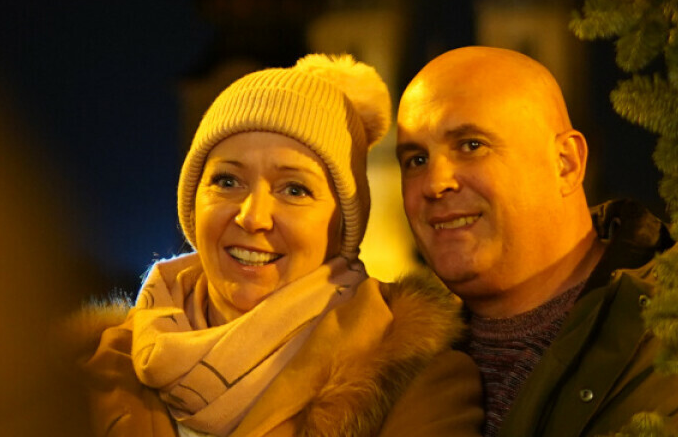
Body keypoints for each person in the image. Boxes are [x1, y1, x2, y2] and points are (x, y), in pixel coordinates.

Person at [78, 54, 484, 437]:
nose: (253, 216)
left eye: (294, 189)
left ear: (343, 223)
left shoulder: (412, 377)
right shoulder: (90, 370)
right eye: (227, 181)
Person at [394, 47, 678, 437]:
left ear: (566, 162)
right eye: (415, 160)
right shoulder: (392, 365)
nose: (436, 184)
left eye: (472, 145)